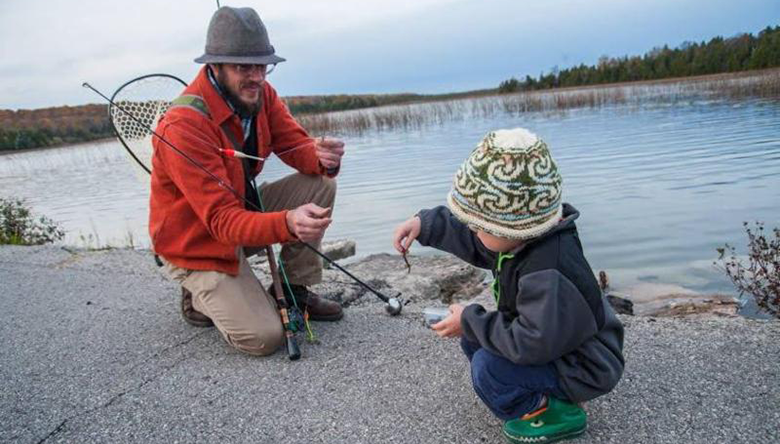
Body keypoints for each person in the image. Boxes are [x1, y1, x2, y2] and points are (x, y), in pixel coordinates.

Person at [392, 128, 624, 443]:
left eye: (479, 226)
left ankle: (552, 411)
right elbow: (474, 239)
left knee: (487, 368)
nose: (472, 231)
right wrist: (425, 225)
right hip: (554, 342)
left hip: (585, 365)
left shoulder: (548, 269)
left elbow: (531, 342)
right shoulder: (522, 239)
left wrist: (470, 320)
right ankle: (542, 390)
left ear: (511, 226)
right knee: (474, 340)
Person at [150, 6, 344, 356]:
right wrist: (287, 223)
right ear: (215, 66)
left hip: (238, 214)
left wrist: (320, 158)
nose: (256, 76)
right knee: (264, 338)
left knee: (320, 185)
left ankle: (293, 290)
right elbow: (222, 222)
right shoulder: (182, 126)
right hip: (196, 244)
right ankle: (196, 290)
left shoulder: (261, 93)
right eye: (244, 67)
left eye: (262, 65)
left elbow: (294, 144)